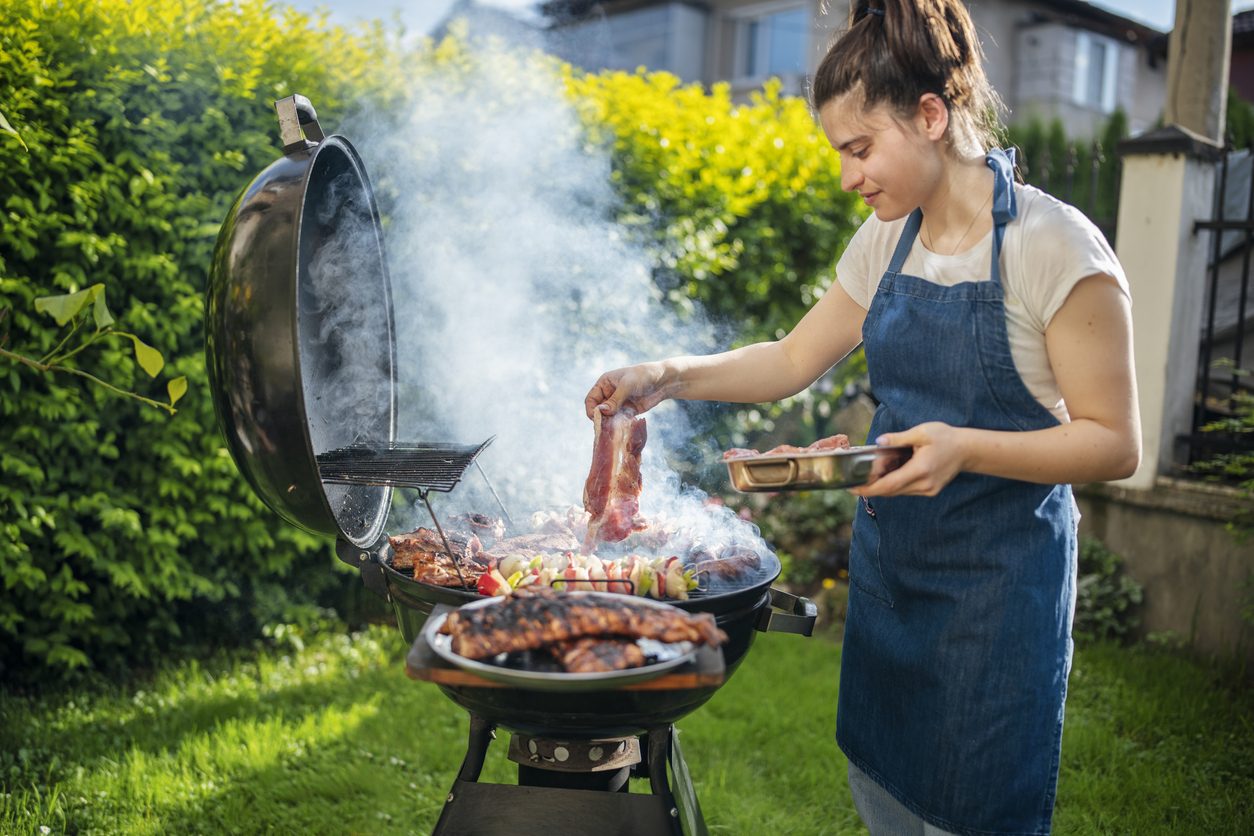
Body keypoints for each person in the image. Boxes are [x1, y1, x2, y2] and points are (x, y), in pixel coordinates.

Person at [583, 1, 1141, 833]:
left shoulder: (1053, 245)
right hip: (892, 577)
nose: (849, 176)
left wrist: (964, 448)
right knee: (883, 795)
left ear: (930, 116)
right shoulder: (887, 241)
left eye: (860, 148)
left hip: (996, 598)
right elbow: (790, 359)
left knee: (975, 812)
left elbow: (1114, 443)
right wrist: (667, 374)